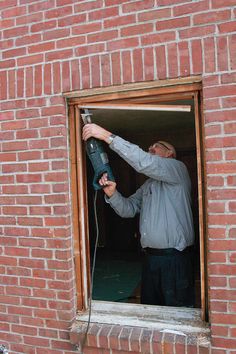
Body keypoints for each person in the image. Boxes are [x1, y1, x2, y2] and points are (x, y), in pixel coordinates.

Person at [82, 123, 195, 307]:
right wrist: (112, 194)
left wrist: (106, 136)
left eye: (156, 146)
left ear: (169, 154)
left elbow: (144, 162)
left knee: (177, 314)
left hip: (174, 260)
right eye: (149, 147)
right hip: (151, 260)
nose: (150, 148)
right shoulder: (148, 186)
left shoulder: (178, 169)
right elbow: (128, 209)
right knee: (151, 311)